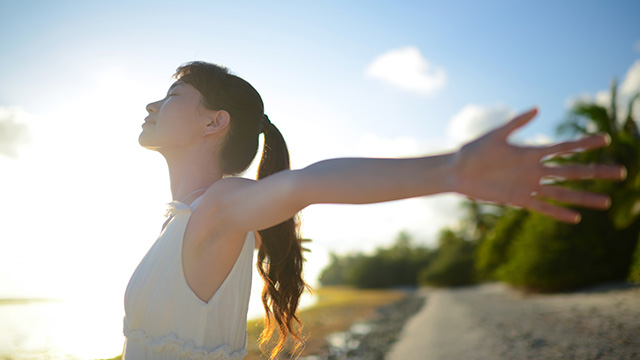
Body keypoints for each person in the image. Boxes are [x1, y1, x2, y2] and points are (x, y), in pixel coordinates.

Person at [122, 61, 624, 360]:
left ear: (214, 123)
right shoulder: (187, 218)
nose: (152, 106)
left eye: (172, 95)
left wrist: (452, 170)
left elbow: (308, 183)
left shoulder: (222, 205)